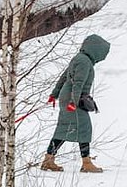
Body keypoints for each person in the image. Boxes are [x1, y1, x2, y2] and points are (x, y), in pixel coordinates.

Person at [40, 34, 111, 174]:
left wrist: (54, 94)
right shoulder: (84, 62)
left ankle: (48, 160)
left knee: (64, 128)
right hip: (73, 99)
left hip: (68, 97)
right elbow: (78, 84)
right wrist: (73, 102)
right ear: (95, 49)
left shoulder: (79, 58)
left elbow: (63, 77)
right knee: (84, 128)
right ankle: (86, 163)